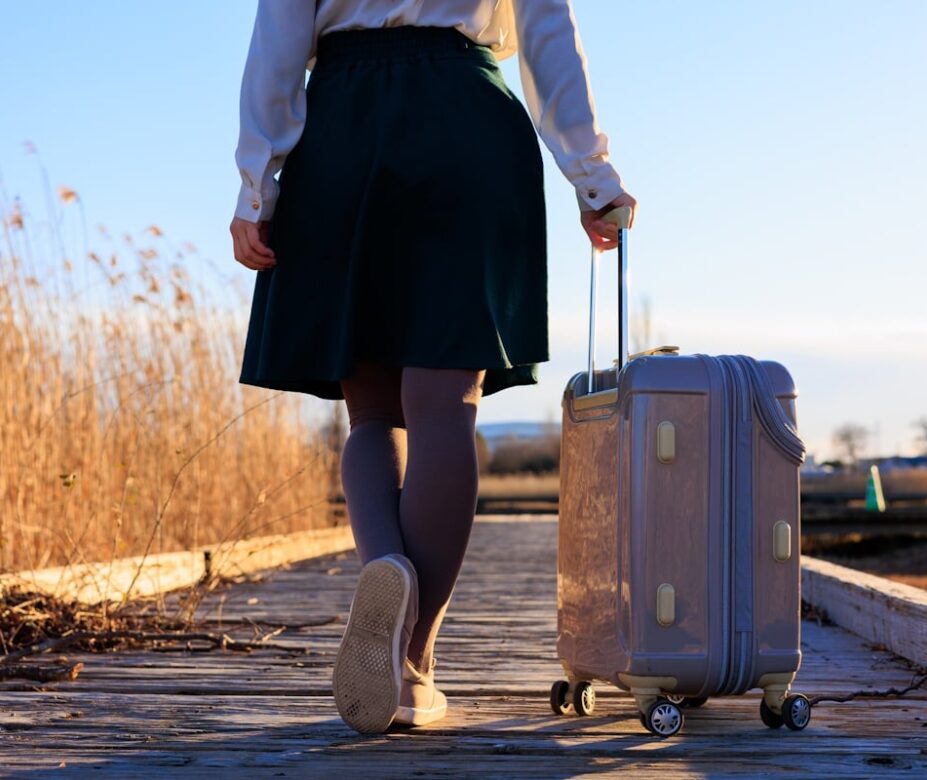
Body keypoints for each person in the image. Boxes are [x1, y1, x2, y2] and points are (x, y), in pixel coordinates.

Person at [230, 0, 637, 735]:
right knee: (446, 408)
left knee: (373, 412)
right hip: (466, 116)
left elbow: (278, 42)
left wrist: (257, 186)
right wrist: (592, 177)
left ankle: (387, 567)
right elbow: (549, 36)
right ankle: (412, 664)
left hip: (343, 128)